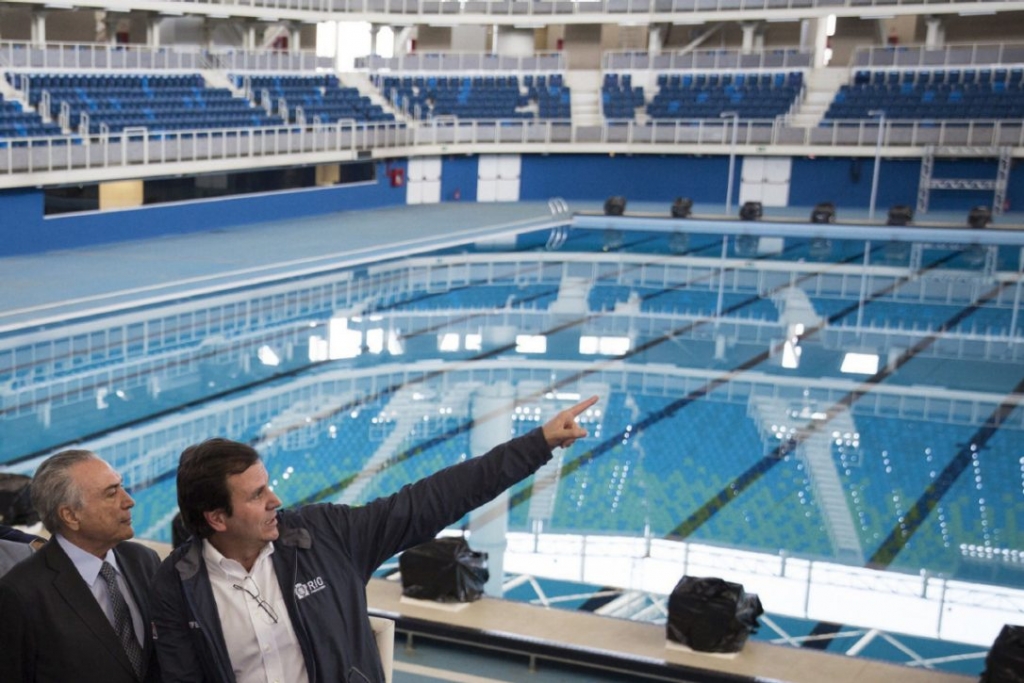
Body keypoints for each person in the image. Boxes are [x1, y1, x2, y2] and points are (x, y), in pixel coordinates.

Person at [151, 395, 599, 683]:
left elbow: (431, 500)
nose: (275, 500)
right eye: (257, 495)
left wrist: (536, 445)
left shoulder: (325, 537)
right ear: (216, 518)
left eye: (268, 485)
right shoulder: (178, 582)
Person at [0, 450, 162, 683]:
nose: (128, 501)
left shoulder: (144, 560)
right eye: (111, 493)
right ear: (71, 516)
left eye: (122, 486)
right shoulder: (21, 593)